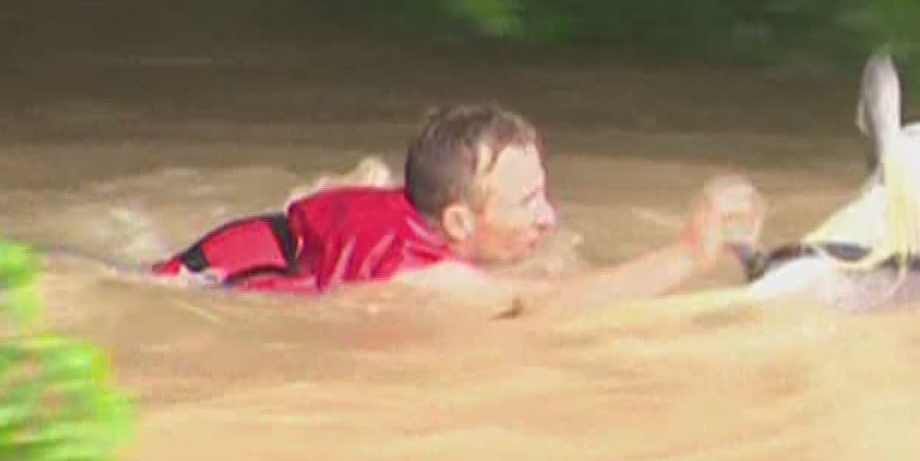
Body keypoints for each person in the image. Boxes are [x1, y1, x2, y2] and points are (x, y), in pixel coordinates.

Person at [151, 103, 765, 317]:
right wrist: (690, 253)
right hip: (207, 288)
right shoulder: (423, 277)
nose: (549, 218)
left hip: (266, 239)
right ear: (458, 224)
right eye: (527, 202)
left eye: (543, 193)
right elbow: (541, 307)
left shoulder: (408, 201)